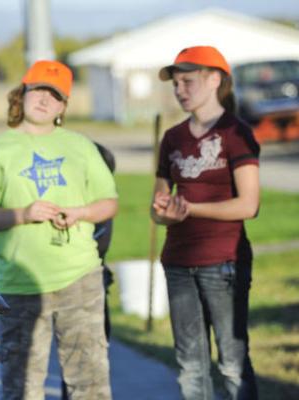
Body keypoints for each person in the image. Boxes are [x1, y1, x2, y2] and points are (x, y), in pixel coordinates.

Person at [0, 60, 118, 400]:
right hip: (19, 284)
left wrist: (80, 212)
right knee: (22, 388)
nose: (45, 99)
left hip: (80, 278)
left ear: (63, 106)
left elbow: (109, 202)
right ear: (24, 93)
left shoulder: (80, 146)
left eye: (55, 94)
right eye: (38, 90)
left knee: (90, 385)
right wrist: (23, 214)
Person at [152, 46, 260, 400]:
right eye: (176, 84)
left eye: (188, 81)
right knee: (190, 365)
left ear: (215, 79)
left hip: (223, 262)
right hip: (178, 263)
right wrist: (163, 212)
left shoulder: (235, 132)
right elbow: (158, 206)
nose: (180, 89)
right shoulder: (172, 137)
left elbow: (249, 204)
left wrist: (192, 209)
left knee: (231, 362)